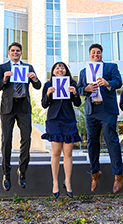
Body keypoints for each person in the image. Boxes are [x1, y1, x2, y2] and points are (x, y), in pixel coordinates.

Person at [0, 42, 41, 191]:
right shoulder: (3, 68)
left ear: (21, 53)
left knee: (27, 139)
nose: (15, 53)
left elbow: (38, 86)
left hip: (23, 107)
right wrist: (4, 79)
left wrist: (34, 79)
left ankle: (22, 171)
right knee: (6, 140)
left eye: (18, 51)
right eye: (13, 51)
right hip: (8, 108)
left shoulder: (28, 67)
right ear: (9, 53)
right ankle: (6, 174)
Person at [78, 43, 123, 194]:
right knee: (92, 142)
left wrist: (107, 83)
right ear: (89, 55)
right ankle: (95, 173)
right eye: (93, 53)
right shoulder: (84, 71)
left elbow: (119, 82)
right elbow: (79, 89)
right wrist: (85, 89)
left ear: (101, 55)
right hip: (91, 110)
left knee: (111, 140)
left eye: (98, 52)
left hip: (107, 110)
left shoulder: (110, 67)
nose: (96, 55)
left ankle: (118, 175)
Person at [41, 62, 81, 198]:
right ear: (53, 71)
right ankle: (55, 182)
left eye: (62, 68)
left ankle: (68, 182)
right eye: (57, 68)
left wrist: (75, 93)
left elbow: (78, 103)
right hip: (54, 120)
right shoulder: (48, 84)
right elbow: (44, 104)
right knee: (56, 152)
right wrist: (48, 94)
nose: (60, 70)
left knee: (68, 153)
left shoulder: (72, 83)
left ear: (66, 70)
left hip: (68, 119)